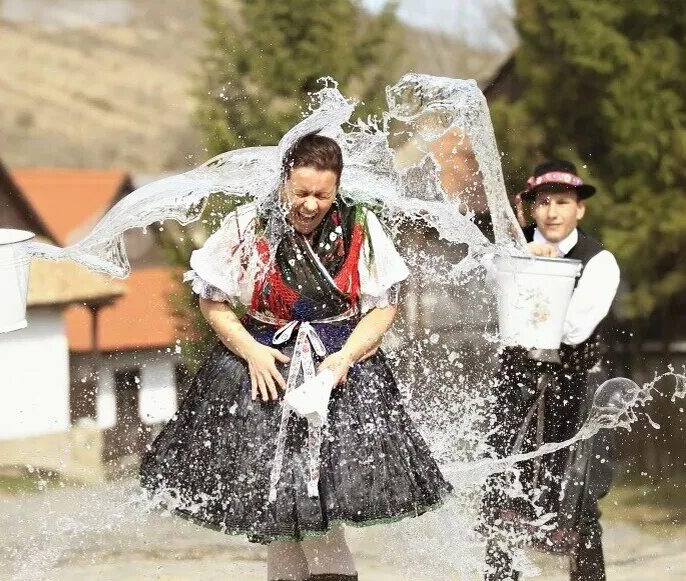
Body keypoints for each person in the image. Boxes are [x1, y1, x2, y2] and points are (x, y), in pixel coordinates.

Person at [140, 135, 452, 581]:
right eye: (300, 192)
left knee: (314, 506)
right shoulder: (248, 223)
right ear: (284, 180)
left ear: (338, 187)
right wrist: (250, 351)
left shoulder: (360, 226)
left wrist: (345, 357)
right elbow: (212, 298)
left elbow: (383, 305)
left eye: (321, 195)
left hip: (340, 374)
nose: (309, 205)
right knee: (283, 515)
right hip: (266, 372)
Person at [484, 161, 620, 581]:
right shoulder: (508, 252)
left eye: (563, 202)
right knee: (500, 489)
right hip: (516, 380)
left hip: (575, 383)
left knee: (577, 496)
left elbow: (575, 330)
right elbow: (502, 305)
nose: (552, 213)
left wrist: (539, 276)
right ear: (529, 209)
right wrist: (523, 261)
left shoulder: (599, 260)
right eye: (543, 203)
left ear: (579, 209)